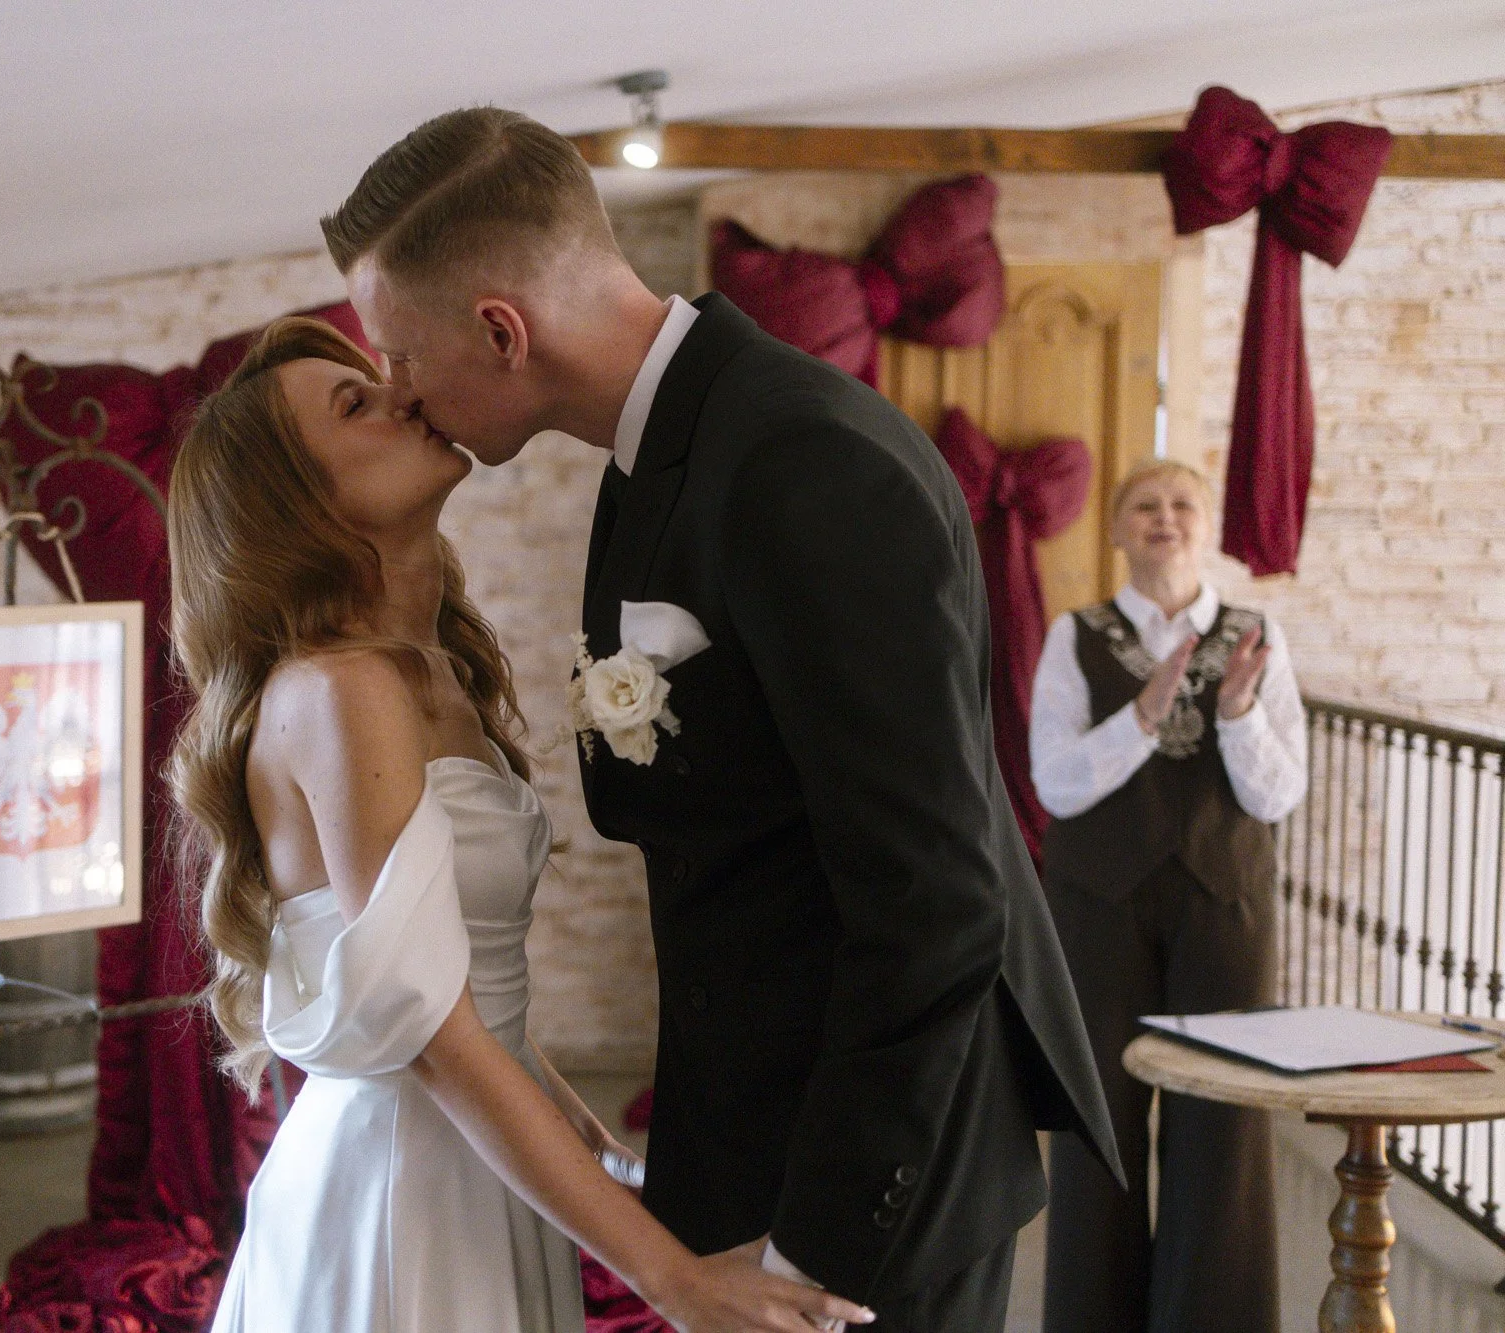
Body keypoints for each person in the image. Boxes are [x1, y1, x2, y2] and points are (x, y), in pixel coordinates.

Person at [319, 107, 1123, 1333]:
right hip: (746, 1129)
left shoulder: (805, 462)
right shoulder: (655, 455)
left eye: (395, 349)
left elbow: (934, 901)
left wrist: (809, 1248)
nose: (394, 385)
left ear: (498, 328)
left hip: (868, 1189)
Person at [170, 316, 866, 1332]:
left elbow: (469, 994)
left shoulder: (435, 672)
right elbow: (435, 1036)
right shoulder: (338, 688)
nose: (401, 397)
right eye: (354, 405)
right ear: (292, 498)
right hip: (399, 1189)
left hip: (484, 1161)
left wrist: (597, 1148)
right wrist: (671, 1278)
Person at [1031, 459, 1306, 1333]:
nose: (1165, 517)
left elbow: (1279, 792)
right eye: (1143, 505)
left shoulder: (1259, 635)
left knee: (1223, 1127)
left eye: (1182, 503)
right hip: (1096, 901)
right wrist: (1143, 714)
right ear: (1116, 530)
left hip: (1225, 904)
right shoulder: (1076, 635)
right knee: (1096, 1126)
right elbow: (1055, 783)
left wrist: (1235, 714)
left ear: (1205, 523)